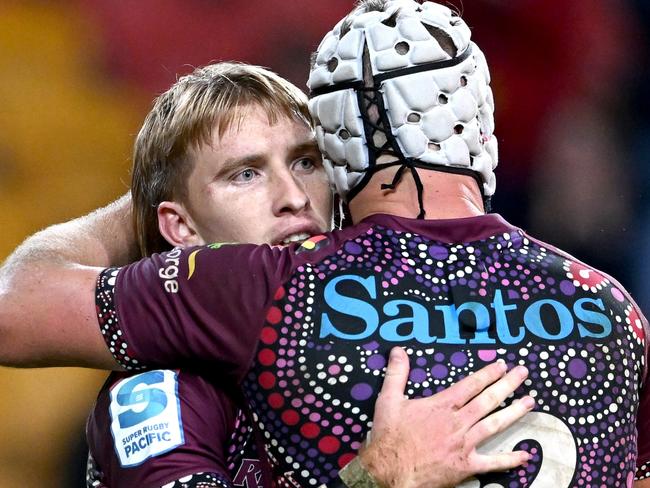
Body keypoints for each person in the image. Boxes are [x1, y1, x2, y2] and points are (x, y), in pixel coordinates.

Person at [0, 60, 532, 488]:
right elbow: (14, 306)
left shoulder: (375, 334)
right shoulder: (158, 394)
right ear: (178, 226)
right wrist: (378, 477)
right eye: (246, 174)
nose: (294, 198)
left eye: (306, 162)